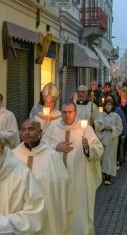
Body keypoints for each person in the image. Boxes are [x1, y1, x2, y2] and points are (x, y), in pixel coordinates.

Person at [42, 101, 103, 235]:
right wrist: (55, 147)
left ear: (75, 113)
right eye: (64, 112)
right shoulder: (53, 128)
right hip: (57, 181)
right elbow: (41, 148)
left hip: (79, 180)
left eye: (70, 112)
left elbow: (98, 149)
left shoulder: (85, 129)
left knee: (79, 213)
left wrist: (87, 148)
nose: (66, 115)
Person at [13, 119, 71, 235]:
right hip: (19, 210)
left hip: (46, 210)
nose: (27, 132)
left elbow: (63, 184)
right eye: (24, 130)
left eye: (31, 129)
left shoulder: (51, 156)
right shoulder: (13, 155)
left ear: (40, 132)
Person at [95, 100, 123, 185]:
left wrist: (112, 128)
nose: (108, 106)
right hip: (103, 138)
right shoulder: (101, 115)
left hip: (112, 139)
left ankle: (108, 177)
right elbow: (97, 125)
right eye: (106, 105)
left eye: (109, 105)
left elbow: (119, 127)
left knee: (110, 158)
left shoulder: (116, 116)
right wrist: (103, 128)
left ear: (112, 106)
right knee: (102, 157)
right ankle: (103, 173)